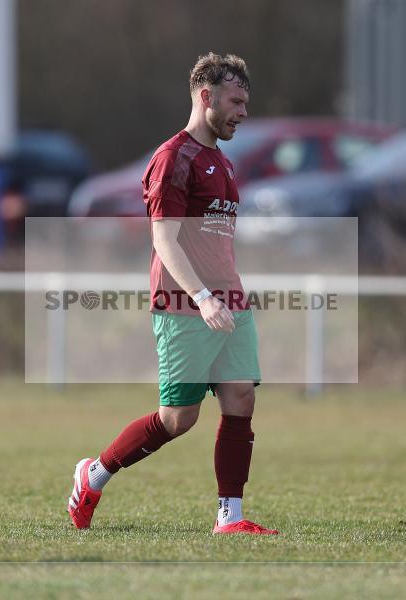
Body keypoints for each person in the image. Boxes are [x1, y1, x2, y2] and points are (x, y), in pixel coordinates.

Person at [67, 52, 277, 535]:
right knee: (178, 418)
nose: (243, 112)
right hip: (186, 304)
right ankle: (93, 474)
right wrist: (202, 296)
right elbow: (164, 238)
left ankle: (230, 517)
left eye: (246, 103)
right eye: (235, 102)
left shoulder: (222, 161)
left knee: (241, 397)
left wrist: (225, 292)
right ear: (206, 97)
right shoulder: (172, 159)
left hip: (230, 301)